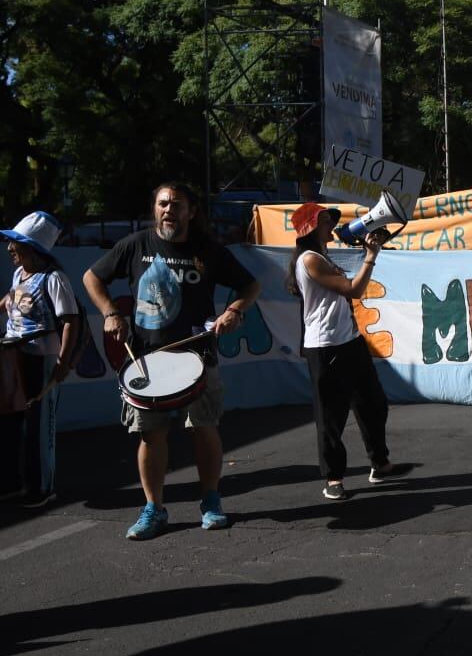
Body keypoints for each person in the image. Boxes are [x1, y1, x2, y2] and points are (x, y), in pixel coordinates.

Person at [84, 182, 261, 540]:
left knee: (204, 429)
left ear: (191, 211)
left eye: (176, 204)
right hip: (147, 362)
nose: (168, 210)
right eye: (162, 203)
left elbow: (250, 286)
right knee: (151, 436)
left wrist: (235, 311)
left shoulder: (209, 250)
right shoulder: (135, 246)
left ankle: (211, 502)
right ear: (155, 209)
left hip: (199, 358)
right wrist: (109, 313)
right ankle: (154, 509)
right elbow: (92, 277)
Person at [288, 203, 403, 500]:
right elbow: (353, 289)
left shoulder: (321, 255)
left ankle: (379, 462)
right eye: (325, 221)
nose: (331, 225)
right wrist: (370, 257)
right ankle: (333, 477)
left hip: (349, 341)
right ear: (310, 229)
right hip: (325, 348)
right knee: (331, 416)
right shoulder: (309, 260)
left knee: (374, 404)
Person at [1, 212, 81, 507]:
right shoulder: (19, 274)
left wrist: (62, 362)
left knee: (38, 425)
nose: (9, 248)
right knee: (11, 422)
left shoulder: (54, 278)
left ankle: (41, 489)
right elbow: (10, 300)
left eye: (15, 244)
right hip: (15, 356)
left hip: (42, 360)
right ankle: (10, 484)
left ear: (33, 248)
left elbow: (70, 320)